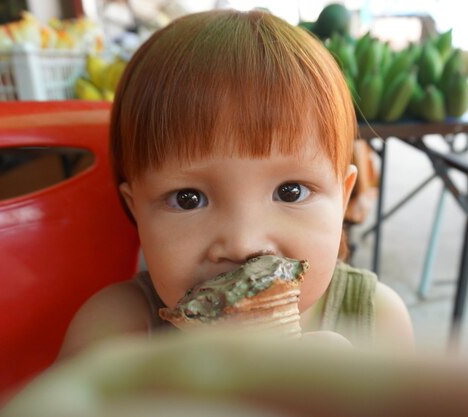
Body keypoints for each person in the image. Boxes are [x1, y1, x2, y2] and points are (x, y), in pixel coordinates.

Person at [58, 9, 413, 359]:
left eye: (291, 191)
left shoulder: (379, 322)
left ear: (344, 198)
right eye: (188, 198)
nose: (245, 245)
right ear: (136, 209)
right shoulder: (116, 333)